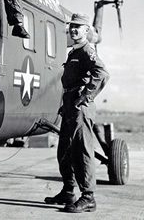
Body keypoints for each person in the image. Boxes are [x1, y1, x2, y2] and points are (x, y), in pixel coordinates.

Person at [44, 13, 109, 213]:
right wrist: (67, 104)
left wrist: (85, 97)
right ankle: (68, 191)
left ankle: (88, 197)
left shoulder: (86, 51)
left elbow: (102, 73)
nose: (73, 29)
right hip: (71, 105)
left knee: (82, 151)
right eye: (72, 26)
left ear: (86, 30)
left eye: (78, 27)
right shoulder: (74, 53)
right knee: (64, 149)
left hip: (81, 107)